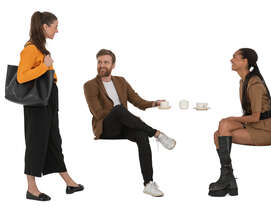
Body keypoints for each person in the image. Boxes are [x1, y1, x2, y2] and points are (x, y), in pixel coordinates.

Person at [83, 49, 176, 197]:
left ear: (113, 65)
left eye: (106, 62)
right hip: (106, 128)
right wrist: (120, 114)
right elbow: (97, 112)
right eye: (99, 62)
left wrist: (155, 103)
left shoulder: (121, 81)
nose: (102, 65)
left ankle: (148, 183)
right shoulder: (90, 85)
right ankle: (157, 134)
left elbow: (137, 101)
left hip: (125, 125)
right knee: (119, 109)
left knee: (141, 136)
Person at [17, 11, 84, 201]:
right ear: (44, 27)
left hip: (48, 99)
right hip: (36, 102)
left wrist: (46, 66)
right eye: (55, 26)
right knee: (35, 142)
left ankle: (68, 181)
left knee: (54, 139)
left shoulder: (41, 48)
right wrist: (44, 66)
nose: (58, 30)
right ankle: (31, 188)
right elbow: (22, 76)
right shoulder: (30, 49)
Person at [208, 48, 271, 197]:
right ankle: (228, 178)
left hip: (265, 131)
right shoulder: (243, 81)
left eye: (235, 57)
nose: (231, 60)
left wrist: (232, 118)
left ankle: (227, 180)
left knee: (225, 124)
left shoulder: (254, 83)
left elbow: (255, 117)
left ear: (245, 61)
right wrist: (229, 120)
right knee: (217, 133)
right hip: (253, 126)